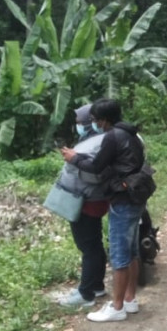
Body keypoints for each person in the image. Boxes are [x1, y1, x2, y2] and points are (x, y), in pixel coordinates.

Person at [60, 98, 146, 322]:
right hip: (135, 196)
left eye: (95, 120)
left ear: (105, 120)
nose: (94, 124)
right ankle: (130, 299)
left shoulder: (112, 137)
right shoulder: (131, 133)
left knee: (119, 254)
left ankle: (117, 308)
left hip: (122, 199)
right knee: (132, 252)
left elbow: (96, 167)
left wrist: (74, 158)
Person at [54, 104, 110, 307]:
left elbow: (96, 173)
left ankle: (86, 294)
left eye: (80, 122)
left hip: (87, 200)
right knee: (93, 244)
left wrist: (74, 160)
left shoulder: (98, 142)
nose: (77, 125)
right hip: (89, 199)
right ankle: (96, 286)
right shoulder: (94, 140)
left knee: (88, 247)